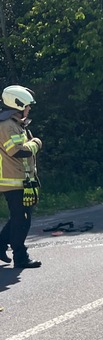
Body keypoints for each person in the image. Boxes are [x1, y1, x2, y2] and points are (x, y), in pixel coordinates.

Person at [0, 85, 42, 269]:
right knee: (22, 219)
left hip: (22, 181)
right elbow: (16, 151)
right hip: (13, 181)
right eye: (27, 105)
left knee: (20, 217)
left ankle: (1, 244)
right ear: (18, 104)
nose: (29, 108)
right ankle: (21, 257)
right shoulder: (7, 126)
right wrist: (36, 144)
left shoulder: (16, 124)